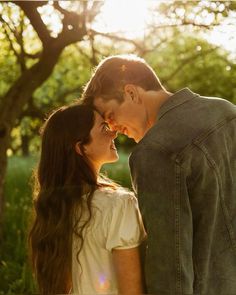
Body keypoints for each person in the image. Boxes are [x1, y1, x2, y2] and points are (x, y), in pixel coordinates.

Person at [82, 54, 236, 295]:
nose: (113, 129)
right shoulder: (227, 111)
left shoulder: (154, 152)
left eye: (110, 115)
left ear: (131, 93)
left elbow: (169, 266)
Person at [28, 103, 146, 295]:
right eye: (103, 128)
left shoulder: (53, 209)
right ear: (81, 148)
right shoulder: (118, 204)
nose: (113, 133)